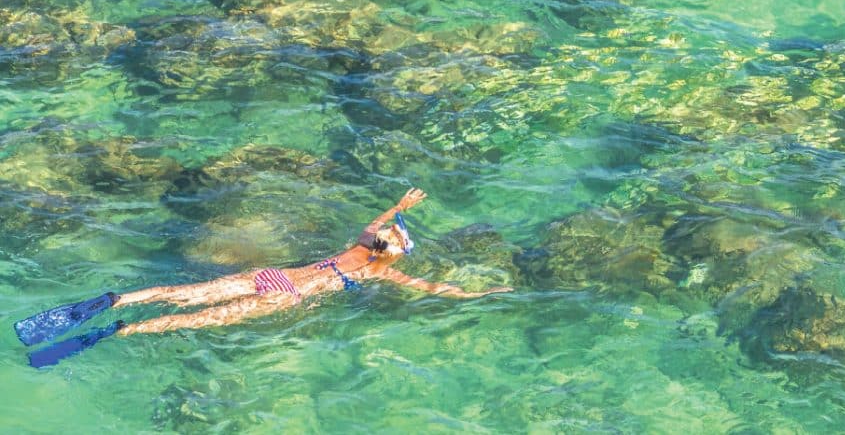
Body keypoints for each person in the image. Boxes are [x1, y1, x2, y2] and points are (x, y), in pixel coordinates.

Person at [16, 188, 512, 366]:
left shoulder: (360, 245)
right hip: (286, 296)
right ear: (396, 256)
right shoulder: (383, 273)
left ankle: (115, 300)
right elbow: (435, 289)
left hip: (271, 275)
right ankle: (119, 329)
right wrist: (480, 292)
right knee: (188, 321)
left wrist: (400, 206)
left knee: (180, 294)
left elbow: (375, 224)